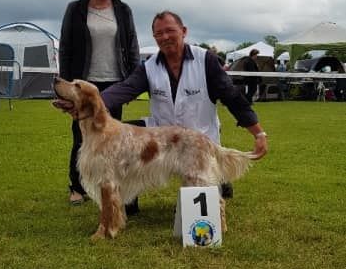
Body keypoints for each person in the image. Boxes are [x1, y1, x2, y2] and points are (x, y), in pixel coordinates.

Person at [100, 12, 268, 193]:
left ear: (184, 31)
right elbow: (125, 89)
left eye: (170, 31)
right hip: (162, 138)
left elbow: (232, 97)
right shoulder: (148, 66)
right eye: (159, 33)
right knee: (123, 136)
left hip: (200, 137)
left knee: (204, 193)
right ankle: (127, 197)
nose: (165, 37)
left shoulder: (206, 60)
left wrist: (259, 133)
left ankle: (217, 176)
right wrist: (93, 101)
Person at [59, 0, 140, 205]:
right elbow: (66, 47)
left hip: (116, 83)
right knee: (81, 136)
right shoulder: (76, 9)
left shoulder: (123, 10)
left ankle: (113, 185)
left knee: (115, 140)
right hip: (84, 84)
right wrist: (67, 85)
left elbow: (132, 45)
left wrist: (133, 81)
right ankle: (77, 187)